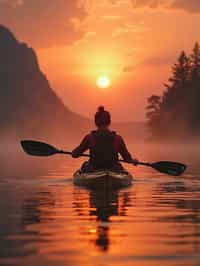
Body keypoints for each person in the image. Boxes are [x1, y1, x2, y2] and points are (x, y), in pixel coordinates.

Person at [72, 106, 138, 172]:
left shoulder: (89, 138)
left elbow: (75, 154)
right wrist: (133, 161)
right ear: (109, 122)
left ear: (96, 122)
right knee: (119, 165)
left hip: (94, 169)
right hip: (113, 169)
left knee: (85, 164)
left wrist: (74, 152)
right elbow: (127, 159)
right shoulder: (118, 138)